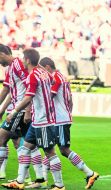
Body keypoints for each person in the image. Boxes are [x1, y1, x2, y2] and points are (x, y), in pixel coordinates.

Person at [2, 49, 64, 190]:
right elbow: (53, 79)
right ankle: (19, 181)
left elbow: (28, 97)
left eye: (24, 59)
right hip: (38, 121)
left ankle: (59, 185)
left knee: (49, 153)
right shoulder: (44, 73)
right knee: (25, 149)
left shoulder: (32, 76)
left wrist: (15, 111)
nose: (22, 61)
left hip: (44, 120)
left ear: (28, 60)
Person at [39, 57, 99, 189]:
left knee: (64, 150)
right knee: (50, 149)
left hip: (60, 119)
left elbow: (49, 98)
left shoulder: (55, 78)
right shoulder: (63, 77)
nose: (42, 73)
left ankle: (90, 173)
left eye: (42, 70)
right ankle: (43, 179)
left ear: (47, 67)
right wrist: (68, 113)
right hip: (61, 118)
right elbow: (70, 100)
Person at [0, 44, 43, 184]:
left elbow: (29, 88)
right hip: (18, 108)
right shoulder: (10, 68)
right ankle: (37, 177)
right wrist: (1, 110)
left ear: (2, 54)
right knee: (25, 143)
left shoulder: (18, 64)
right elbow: (8, 91)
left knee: (2, 137)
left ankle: (25, 176)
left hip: (21, 109)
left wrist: (28, 110)